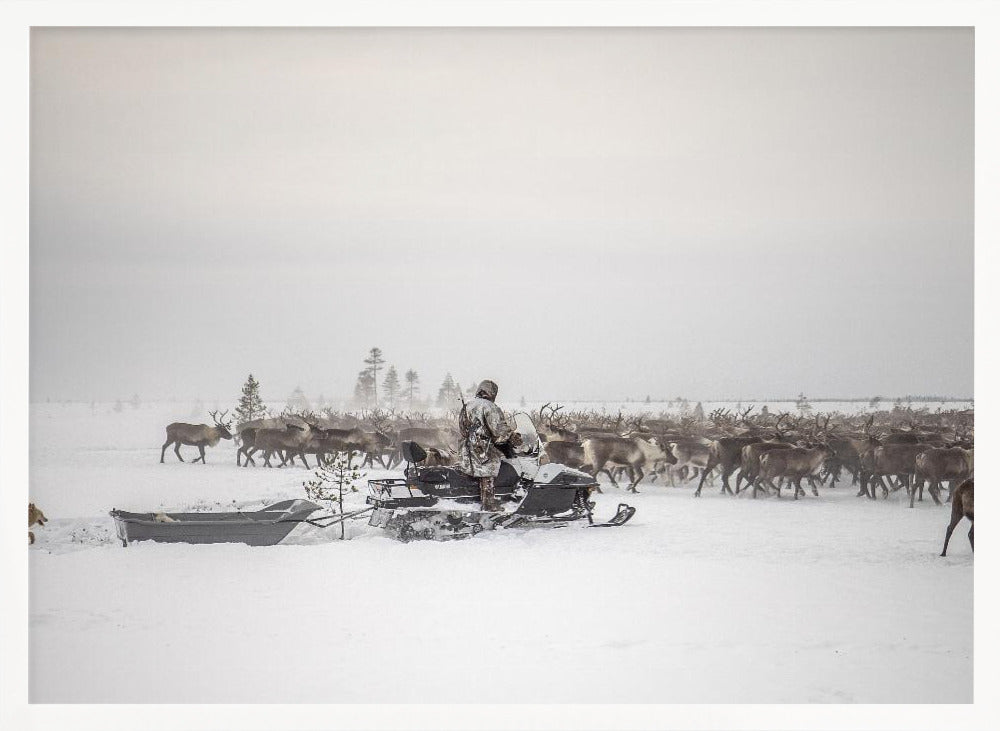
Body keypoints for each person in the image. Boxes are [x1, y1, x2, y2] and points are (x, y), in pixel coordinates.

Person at [457, 379, 520, 511]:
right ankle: (489, 503)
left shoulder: (467, 405)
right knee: (488, 469)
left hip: (466, 446)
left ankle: (472, 498)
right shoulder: (489, 407)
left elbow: (462, 429)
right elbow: (498, 429)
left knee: (473, 470)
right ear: (492, 392)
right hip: (482, 447)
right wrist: (512, 436)